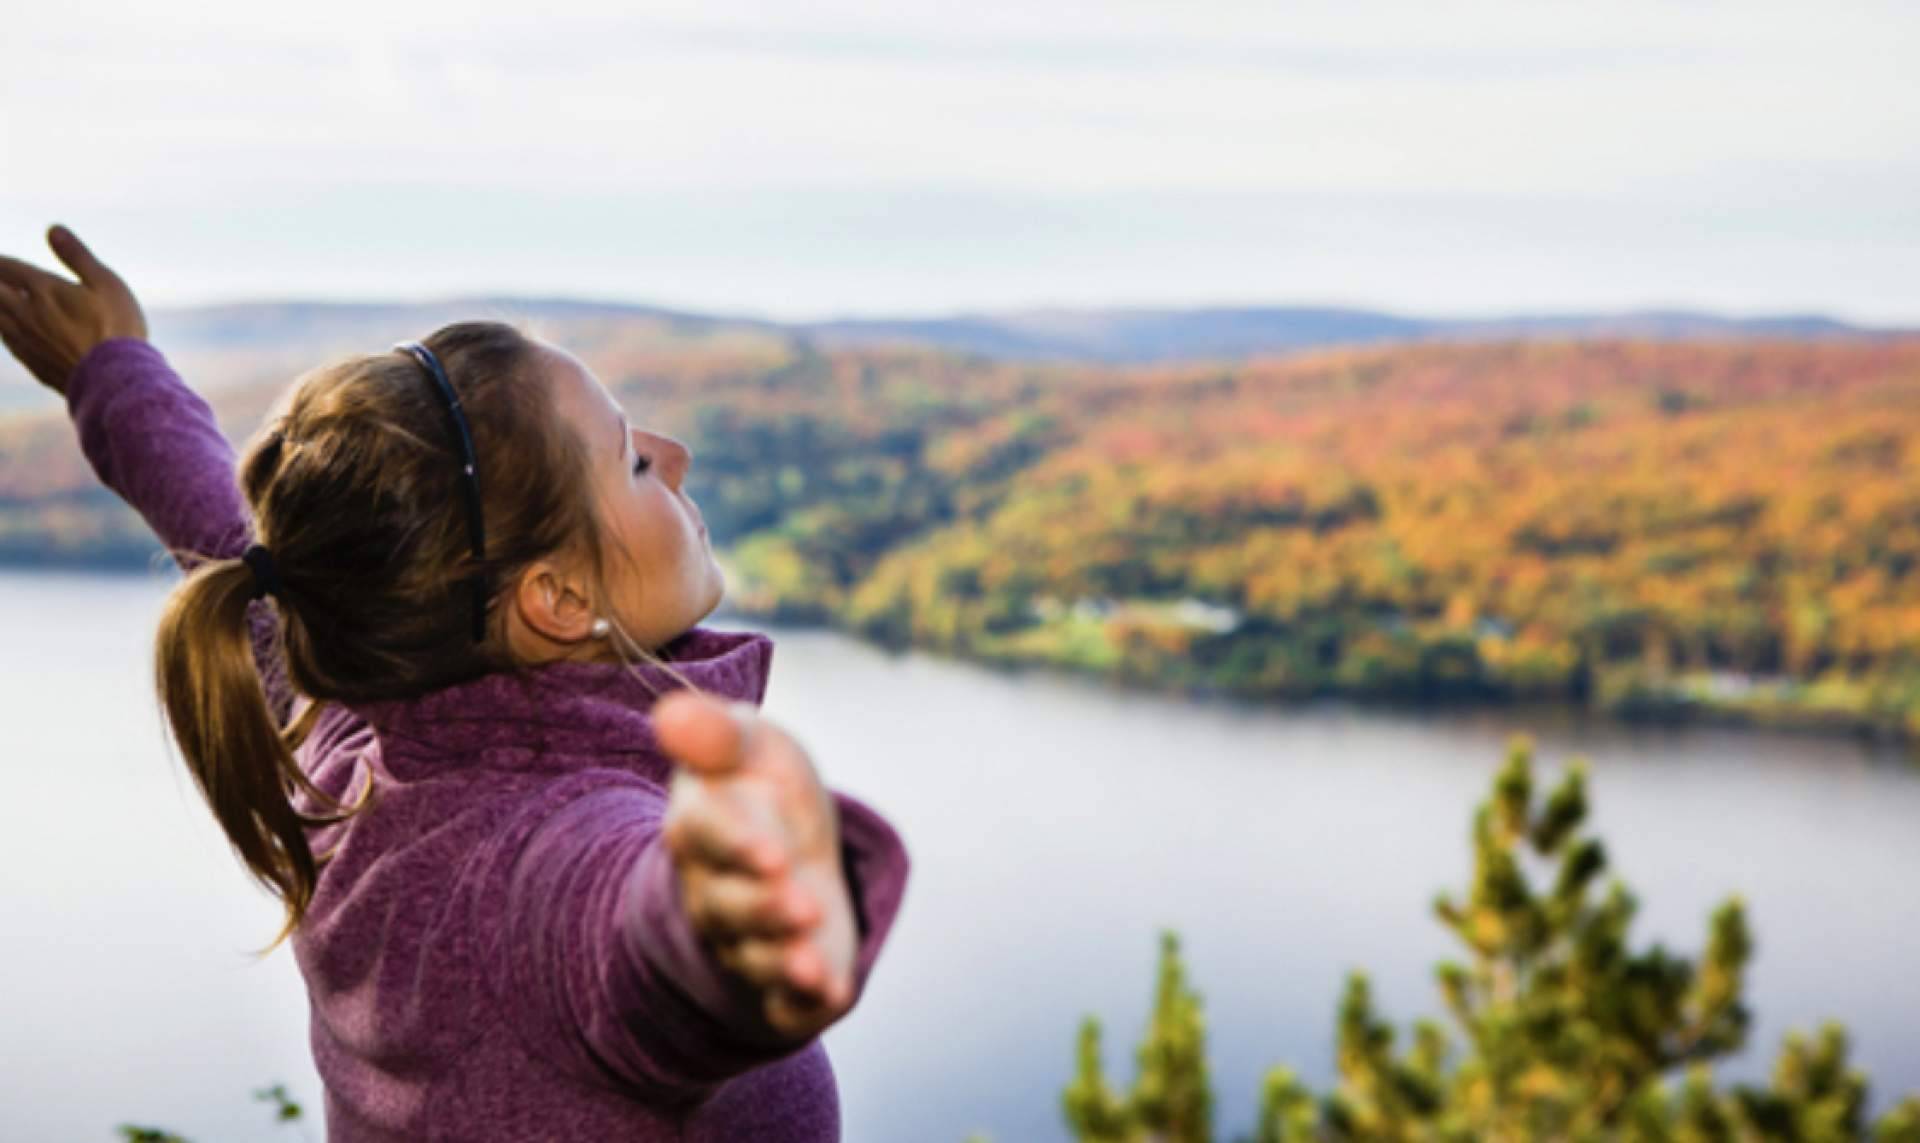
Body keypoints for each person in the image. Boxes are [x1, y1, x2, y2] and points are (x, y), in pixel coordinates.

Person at [0, 225, 909, 1141]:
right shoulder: (533, 858)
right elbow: (619, 940)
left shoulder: (350, 723)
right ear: (556, 595)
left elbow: (227, 533)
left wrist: (112, 370)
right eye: (631, 460)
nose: (675, 455)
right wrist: (728, 924)